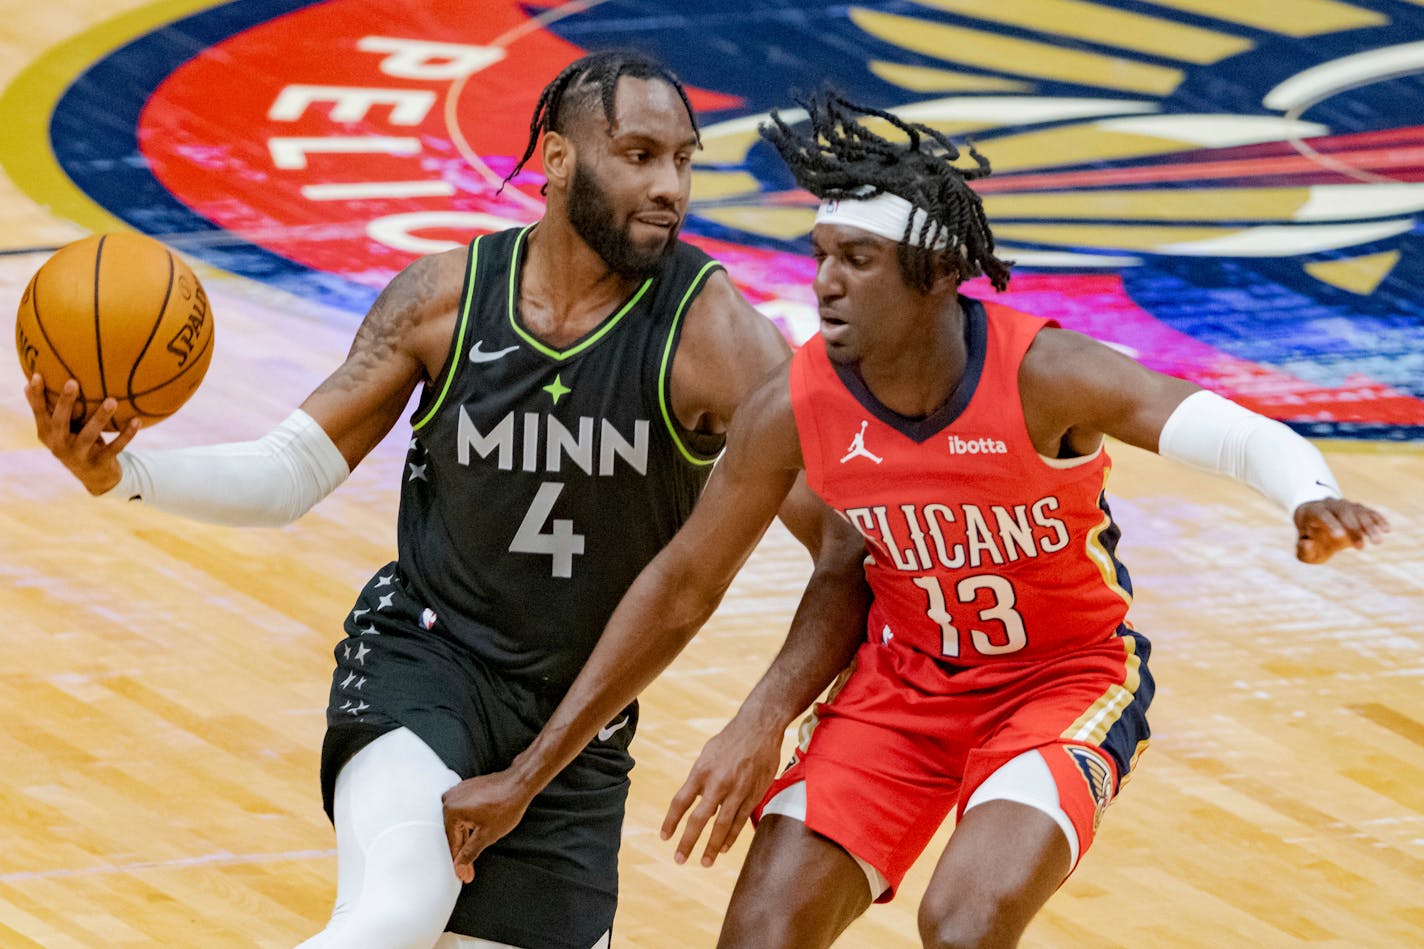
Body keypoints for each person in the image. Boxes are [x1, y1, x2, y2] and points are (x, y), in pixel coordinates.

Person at [439, 90, 1391, 948]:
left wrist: (1305, 492)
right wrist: (538, 770)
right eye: (820, 257)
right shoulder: (794, 404)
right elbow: (686, 582)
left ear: (935, 275)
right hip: (901, 692)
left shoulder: (1042, 373)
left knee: (964, 919)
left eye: (858, 260)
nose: (826, 283)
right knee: (761, 934)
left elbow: (1209, 424)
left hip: (1059, 685)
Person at [24, 54, 868, 949]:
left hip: (577, 721)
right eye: (638, 154)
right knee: (398, 909)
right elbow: (287, 473)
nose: (669, 187)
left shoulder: (721, 338)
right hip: (427, 661)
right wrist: (125, 474)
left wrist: (763, 715)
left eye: (684, 160)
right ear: (558, 158)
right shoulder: (445, 298)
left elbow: (843, 549)